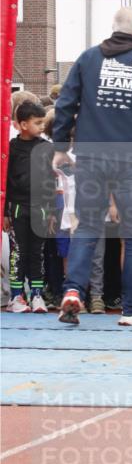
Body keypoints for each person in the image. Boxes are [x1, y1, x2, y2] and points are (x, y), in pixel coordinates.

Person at [52, 6, 132, 326]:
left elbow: (66, 102)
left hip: (92, 154)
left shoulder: (88, 58)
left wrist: (59, 147)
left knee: (87, 226)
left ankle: (72, 291)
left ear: (114, 29)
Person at [3, 101, 56, 313]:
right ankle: (16, 296)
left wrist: (51, 210)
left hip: (41, 209)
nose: (42, 126)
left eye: (43, 122)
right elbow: (4, 182)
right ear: (23, 124)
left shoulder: (46, 147)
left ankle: (36, 294)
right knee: (18, 252)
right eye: (37, 123)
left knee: (37, 252)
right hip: (17, 208)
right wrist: (5, 212)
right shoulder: (11, 149)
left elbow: (51, 180)